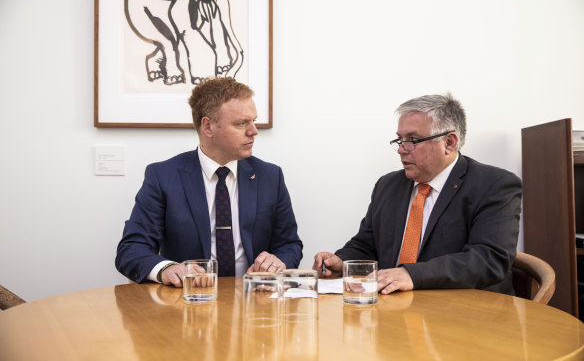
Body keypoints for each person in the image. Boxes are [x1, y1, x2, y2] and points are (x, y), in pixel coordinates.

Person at [313, 94, 521, 295]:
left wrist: (411, 274)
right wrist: (342, 262)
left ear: (449, 143)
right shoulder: (388, 185)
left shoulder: (494, 185)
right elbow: (366, 245)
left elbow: (489, 260)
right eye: (399, 139)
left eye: (412, 139)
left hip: (468, 316)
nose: (401, 150)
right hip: (396, 311)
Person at [116, 77, 303, 287]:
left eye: (254, 121)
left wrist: (277, 263)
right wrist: (167, 269)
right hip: (188, 303)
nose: (253, 131)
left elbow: (290, 245)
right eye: (241, 123)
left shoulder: (270, 176)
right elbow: (131, 249)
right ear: (208, 127)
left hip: (255, 302)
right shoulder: (163, 176)